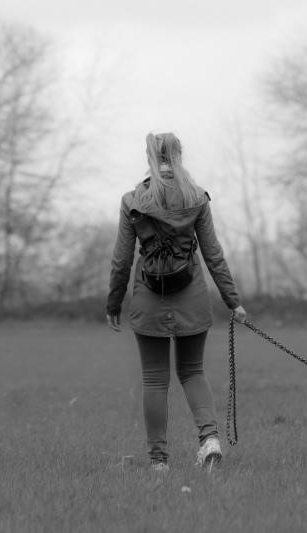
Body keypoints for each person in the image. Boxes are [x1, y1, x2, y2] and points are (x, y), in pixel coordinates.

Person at [106, 132, 247, 472]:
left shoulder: (133, 200)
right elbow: (213, 254)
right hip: (192, 296)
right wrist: (233, 300)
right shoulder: (196, 197)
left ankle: (158, 462)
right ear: (179, 155)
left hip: (149, 298)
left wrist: (114, 302)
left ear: (150, 156)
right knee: (193, 371)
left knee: (155, 379)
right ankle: (210, 439)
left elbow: (122, 261)